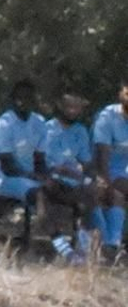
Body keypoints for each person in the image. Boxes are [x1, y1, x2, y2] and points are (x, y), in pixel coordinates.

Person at [0, 79, 73, 262]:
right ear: (12, 99)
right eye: (19, 98)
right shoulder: (3, 125)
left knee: (69, 190)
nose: (23, 102)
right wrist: (37, 178)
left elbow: (40, 161)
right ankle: (62, 247)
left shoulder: (39, 123)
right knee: (41, 193)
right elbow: (7, 167)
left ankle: (87, 242)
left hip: (31, 178)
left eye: (27, 98)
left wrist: (47, 177)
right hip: (7, 180)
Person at [43, 92, 99, 262]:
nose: (73, 111)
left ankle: (83, 250)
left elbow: (86, 161)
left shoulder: (80, 131)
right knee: (46, 197)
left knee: (92, 193)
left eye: (77, 107)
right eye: (69, 106)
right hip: (50, 178)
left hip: (73, 180)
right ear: (60, 106)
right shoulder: (47, 129)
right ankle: (64, 250)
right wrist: (77, 174)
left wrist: (92, 177)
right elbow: (50, 164)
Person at [92, 74, 128, 262]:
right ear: (121, 94)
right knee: (116, 195)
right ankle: (110, 245)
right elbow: (101, 157)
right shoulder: (107, 117)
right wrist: (106, 182)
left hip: (124, 172)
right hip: (102, 172)